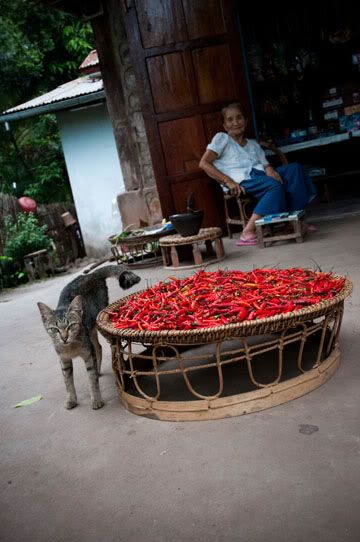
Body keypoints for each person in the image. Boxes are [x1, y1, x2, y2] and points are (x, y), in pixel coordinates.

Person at [199, 103, 317, 245]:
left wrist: (269, 168)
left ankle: (295, 221)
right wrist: (228, 181)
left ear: (246, 121)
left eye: (239, 118)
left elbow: (265, 163)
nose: (235, 123)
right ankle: (248, 231)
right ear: (224, 125)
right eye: (230, 120)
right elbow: (204, 163)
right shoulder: (222, 139)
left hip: (260, 175)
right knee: (274, 186)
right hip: (241, 180)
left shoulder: (252, 143)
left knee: (295, 169)